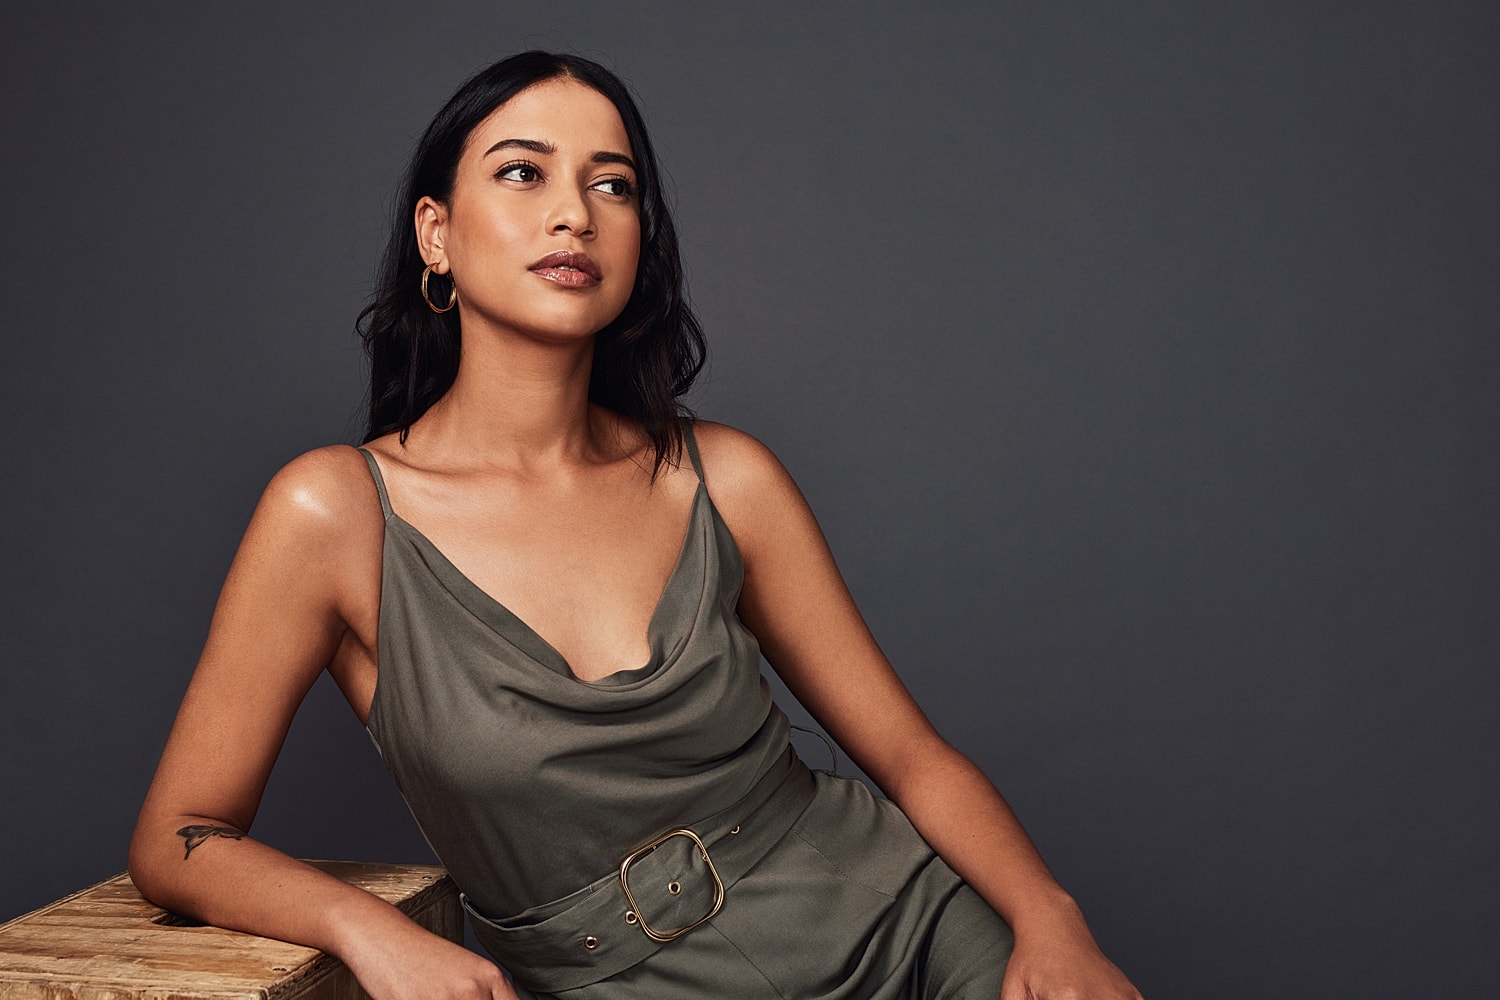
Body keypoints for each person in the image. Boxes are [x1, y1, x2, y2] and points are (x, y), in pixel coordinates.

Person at [128, 51, 1143, 1000]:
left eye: (611, 185)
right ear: (437, 233)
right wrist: (366, 928)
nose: (574, 212)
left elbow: (912, 755)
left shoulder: (725, 478)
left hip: (912, 929)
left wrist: (1053, 922)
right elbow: (179, 832)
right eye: (524, 174)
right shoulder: (335, 512)